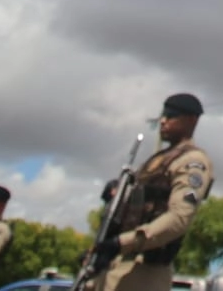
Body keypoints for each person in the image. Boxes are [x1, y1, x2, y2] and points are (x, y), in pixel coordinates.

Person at [92, 94, 215, 291]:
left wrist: (123, 242)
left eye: (172, 115)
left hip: (145, 272)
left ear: (192, 119)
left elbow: (179, 218)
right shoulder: (154, 162)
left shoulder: (193, 162)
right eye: (163, 115)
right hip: (115, 266)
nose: (163, 120)